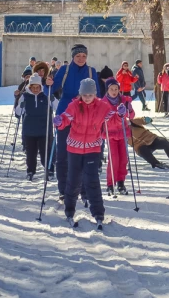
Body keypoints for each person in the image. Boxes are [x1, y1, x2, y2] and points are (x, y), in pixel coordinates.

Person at [53, 78, 117, 229]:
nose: (87, 98)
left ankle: (98, 213)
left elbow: (112, 118)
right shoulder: (74, 105)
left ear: (95, 94)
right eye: (85, 95)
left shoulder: (102, 106)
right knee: (73, 180)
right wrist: (59, 121)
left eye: (90, 95)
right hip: (74, 148)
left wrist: (120, 115)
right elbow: (66, 119)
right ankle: (69, 210)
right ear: (80, 94)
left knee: (92, 180)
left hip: (93, 148)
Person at [46, 44, 100, 201]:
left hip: (85, 116)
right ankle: (64, 189)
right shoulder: (65, 70)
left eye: (84, 56)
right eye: (78, 56)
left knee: (82, 153)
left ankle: (83, 190)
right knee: (63, 154)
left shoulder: (91, 71)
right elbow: (52, 87)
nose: (81, 59)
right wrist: (48, 84)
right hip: (65, 114)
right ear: (72, 57)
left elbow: (98, 94)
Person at [15, 73, 55, 181]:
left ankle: (50, 169)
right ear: (30, 87)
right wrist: (20, 106)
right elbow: (18, 113)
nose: (36, 89)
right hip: (29, 130)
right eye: (34, 87)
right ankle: (30, 171)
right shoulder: (25, 96)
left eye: (38, 87)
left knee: (45, 152)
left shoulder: (46, 95)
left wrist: (53, 100)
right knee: (31, 153)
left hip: (44, 129)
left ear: (41, 87)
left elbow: (57, 107)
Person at [102, 77, 134, 195]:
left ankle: (121, 182)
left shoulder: (124, 100)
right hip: (110, 134)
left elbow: (131, 116)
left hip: (123, 132)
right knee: (113, 159)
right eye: (111, 89)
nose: (114, 91)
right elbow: (103, 118)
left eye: (116, 89)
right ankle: (110, 183)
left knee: (123, 159)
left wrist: (128, 110)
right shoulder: (103, 103)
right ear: (107, 90)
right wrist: (113, 115)